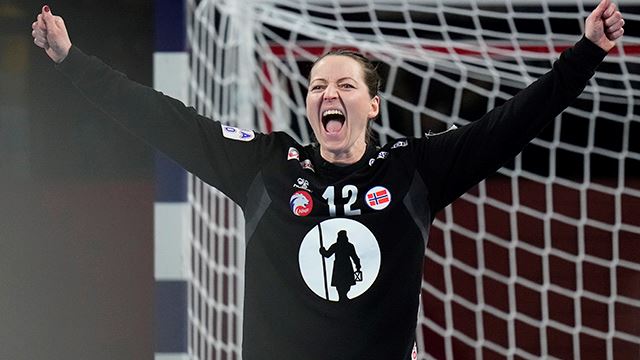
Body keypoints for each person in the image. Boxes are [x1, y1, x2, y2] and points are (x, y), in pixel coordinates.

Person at [32, 1, 624, 359]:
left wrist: (588, 52)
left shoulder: (414, 168)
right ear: (309, 107)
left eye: (345, 86)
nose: (328, 94)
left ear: (372, 105)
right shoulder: (265, 166)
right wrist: (70, 59)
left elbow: (511, 123)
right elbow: (163, 120)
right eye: (317, 86)